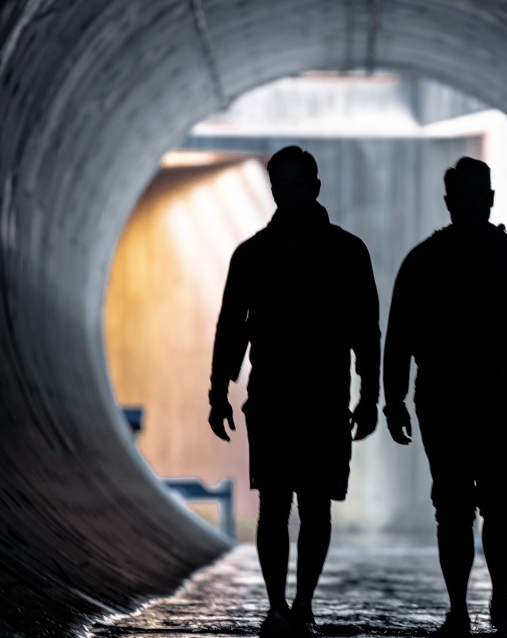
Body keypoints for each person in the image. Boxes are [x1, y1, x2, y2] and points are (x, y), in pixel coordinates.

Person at [382, 157, 507, 638]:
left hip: (450, 402)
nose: (469, 203)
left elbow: (398, 336)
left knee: (457, 507)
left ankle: (464, 609)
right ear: (487, 198)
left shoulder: (424, 261)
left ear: (475, 200)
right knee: (494, 503)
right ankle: (494, 603)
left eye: (470, 195)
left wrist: (395, 399)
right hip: (493, 400)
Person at [208, 146, 380, 637]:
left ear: (315, 188)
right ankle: (284, 603)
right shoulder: (276, 254)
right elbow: (231, 329)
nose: (292, 193)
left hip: (314, 399)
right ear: (276, 190)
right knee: (281, 504)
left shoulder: (280, 253)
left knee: (310, 504)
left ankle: (296, 603)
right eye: (285, 185)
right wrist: (218, 390)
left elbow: (366, 329)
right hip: (284, 398)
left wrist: (370, 395)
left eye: (298, 184)